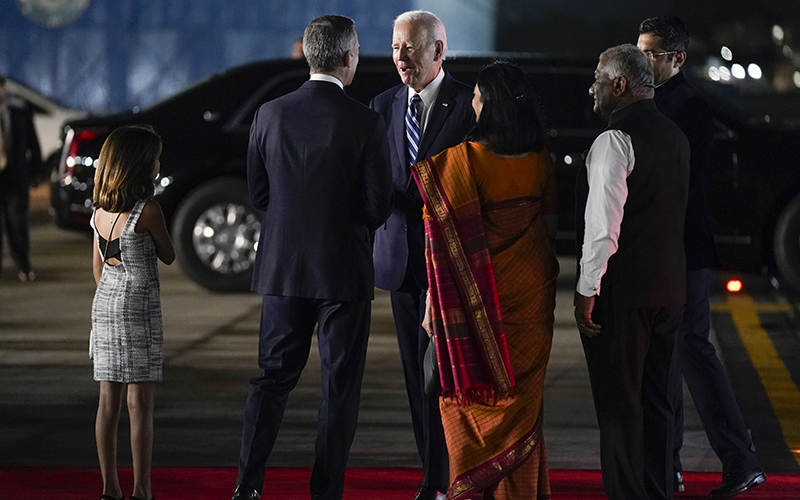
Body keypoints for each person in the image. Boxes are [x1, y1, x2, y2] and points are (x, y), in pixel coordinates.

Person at [231, 15, 392, 500]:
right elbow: (377, 205)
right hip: (342, 271)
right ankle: (325, 491)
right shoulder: (365, 120)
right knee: (338, 387)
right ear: (348, 58)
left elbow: (258, 193)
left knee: (271, 378)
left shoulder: (269, 113)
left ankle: (247, 485)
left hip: (281, 268)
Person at [412, 61, 558, 499]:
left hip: (470, 305)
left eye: (476, 96)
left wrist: (432, 309)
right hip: (530, 300)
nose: (472, 103)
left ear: (487, 104)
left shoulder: (457, 164)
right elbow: (548, 235)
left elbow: (437, 249)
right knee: (523, 402)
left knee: (466, 397)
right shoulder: (541, 163)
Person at [637, 16, 766, 499]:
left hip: (682, 249)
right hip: (668, 249)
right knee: (675, 353)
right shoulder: (655, 102)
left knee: (687, 349)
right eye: (640, 50)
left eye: (652, 53)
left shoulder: (688, 109)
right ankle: (690, 467)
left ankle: (735, 459)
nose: (644, 60)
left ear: (677, 59)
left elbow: (677, 186)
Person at [574, 44, 690, 500]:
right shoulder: (675, 135)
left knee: (620, 410)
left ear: (620, 84)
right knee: (659, 405)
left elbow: (603, 227)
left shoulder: (614, 140)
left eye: (598, 78)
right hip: (670, 291)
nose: (592, 87)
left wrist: (587, 289)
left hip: (622, 296)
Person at [370, 11, 475, 499]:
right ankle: (432, 477)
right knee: (417, 378)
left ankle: (457, 469)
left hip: (451, 264)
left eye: (410, 48)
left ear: (439, 50)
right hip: (400, 261)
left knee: (449, 375)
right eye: (395, 48)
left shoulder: (467, 105)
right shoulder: (383, 104)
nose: (400, 57)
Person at [90, 124, 175, 500]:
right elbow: (168, 255)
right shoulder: (148, 211)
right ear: (142, 165)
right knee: (140, 402)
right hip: (138, 308)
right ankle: (142, 490)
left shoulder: (99, 212)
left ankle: (110, 488)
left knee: (108, 401)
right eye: (155, 158)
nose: (159, 163)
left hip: (105, 304)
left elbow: (98, 269)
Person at [0, 75, 41, 282]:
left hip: (15, 178)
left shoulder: (19, 113)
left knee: (17, 224)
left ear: (4, 89)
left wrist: (36, 172)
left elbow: (33, 143)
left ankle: (23, 267)